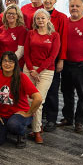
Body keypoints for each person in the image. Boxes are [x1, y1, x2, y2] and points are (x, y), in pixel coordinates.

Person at [0, 51, 42, 148]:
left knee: (14, 124)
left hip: (19, 114)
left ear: (15, 64)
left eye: (11, 61)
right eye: (5, 61)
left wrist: (28, 113)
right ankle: (7, 128)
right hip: (3, 115)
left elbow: (38, 98)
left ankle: (21, 134)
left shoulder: (21, 77)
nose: (7, 64)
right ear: (1, 62)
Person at [23, 9, 61, 144]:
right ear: (35, 21)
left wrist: (38, 71)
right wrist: (31, 69)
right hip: (29, 69)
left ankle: (37, 131)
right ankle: (35, 127)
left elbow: (52, 57)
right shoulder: (30, 33)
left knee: (38, 101)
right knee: (28, 100)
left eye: (43, 18)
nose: (40, 20)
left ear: (48, 19)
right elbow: (26, 53)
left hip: (45, 71)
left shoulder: (54, 35)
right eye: (37, 18)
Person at [58, 0, 83, 134]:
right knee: (67, 93)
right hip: (66, 63)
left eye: (77, 6)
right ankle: (68, 118)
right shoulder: (64, 22)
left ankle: (80, 121)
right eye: (72, 5)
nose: (74, 8)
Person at [40, 0, 68, 132]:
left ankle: (51, 119)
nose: (48, 1)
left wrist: (61, 60)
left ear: (55, 0)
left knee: (52, 91)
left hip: (53, 60)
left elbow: (64, 40)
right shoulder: (38, 15)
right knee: (39, 89)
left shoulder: (61, 17)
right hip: (38, 59)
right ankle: (39, 116)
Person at [0, 4, 28, 69]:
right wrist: (0, 60)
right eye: (9, 13)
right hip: (1, 63)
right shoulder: (2, 28)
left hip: (15, 64)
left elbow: (21, 50)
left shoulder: (22, 30)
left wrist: (9, 63)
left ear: (18, 16)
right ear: (5, 15)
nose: (11, 15)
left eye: (13, 13)